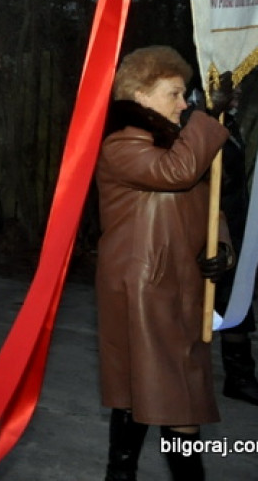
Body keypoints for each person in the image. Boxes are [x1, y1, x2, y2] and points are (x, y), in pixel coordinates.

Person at [95, 46, 233, 481]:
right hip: (142, 288)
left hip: (179, 287)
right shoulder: (121, 143)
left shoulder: (178, 144)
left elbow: (212, 207)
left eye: (185, 95)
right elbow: (177, 174)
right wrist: (205, 119)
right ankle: (123, 472)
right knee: (148, 391)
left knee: (174, 394)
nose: (183, 104)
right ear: (139, 95)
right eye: (174, 94)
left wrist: (221, 250)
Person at [211, 71, 258, 406]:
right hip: (216, 227)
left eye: (240, 90)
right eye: (232, 91)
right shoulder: (205, 127)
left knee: (236, 298)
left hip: (237, 223)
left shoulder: (233, 127)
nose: (238, 96)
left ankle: (240, 376)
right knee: (220, 296)